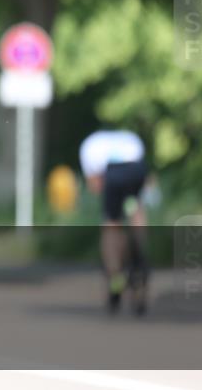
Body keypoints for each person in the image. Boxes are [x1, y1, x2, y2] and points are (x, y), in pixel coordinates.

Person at [79, 129, 152, 315]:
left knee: (111, 223)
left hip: (112, 173)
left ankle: (115, 275)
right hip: (136, 169)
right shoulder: (130, 138)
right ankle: (140, 247)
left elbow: (95, 186)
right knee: (136, 210)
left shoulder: (89, 146)